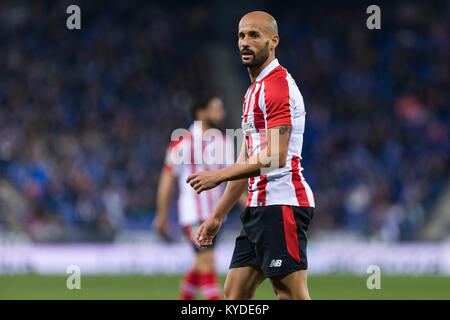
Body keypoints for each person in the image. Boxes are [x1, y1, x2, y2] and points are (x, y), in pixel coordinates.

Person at [186, 11, 315, 300]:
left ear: (273, 42)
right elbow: (246, 162)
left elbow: (276, 157)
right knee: (234, 296)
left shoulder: (277, 87)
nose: (245, 42)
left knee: (290, 294)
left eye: (254, 36)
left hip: (282, 204)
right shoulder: (253, 92)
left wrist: (217, 175)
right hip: (257, 209)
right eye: (242, 36)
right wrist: (217, 215)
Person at [154, 95, 228, 300]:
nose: (221, 113)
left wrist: (247, 203)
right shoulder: (182, 142)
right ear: (201, 113)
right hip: (193, 215)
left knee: (199, 266)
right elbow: (167, 180)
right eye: (216, 108)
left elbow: (234, 180)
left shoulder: (224, 141)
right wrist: (162, 216)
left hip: (217, 216)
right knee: (208, 263)